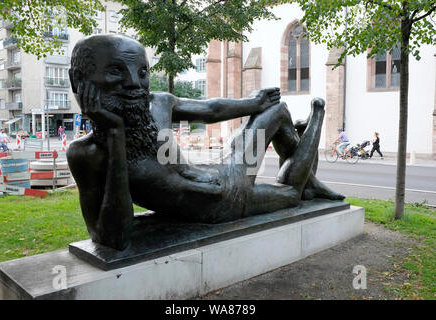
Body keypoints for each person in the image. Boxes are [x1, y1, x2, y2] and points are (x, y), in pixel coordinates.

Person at [66, 34, 344, 250]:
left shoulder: (158, 104)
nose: (134, 84)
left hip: (225, 171)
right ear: (79, 81)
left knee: (276, 110)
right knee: (292, 194)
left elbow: (211, 110)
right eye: (116, 71)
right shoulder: (87, 154)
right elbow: (113, 238)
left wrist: (252, 102)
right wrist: (115, 135)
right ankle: (317, 118)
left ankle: (312, 182)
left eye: (141, 72)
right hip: (225, 202)